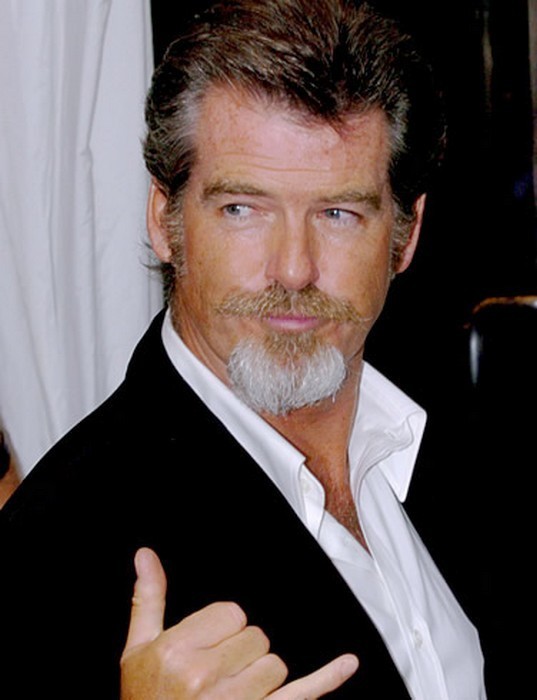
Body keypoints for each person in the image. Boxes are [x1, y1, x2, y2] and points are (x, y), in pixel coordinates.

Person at [0, 1, 486, 698]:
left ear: (404, 236)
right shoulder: (58, 546)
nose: (293, 268)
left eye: (338, 214)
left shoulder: (468, 449)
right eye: (242, 209)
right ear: (164, 221)